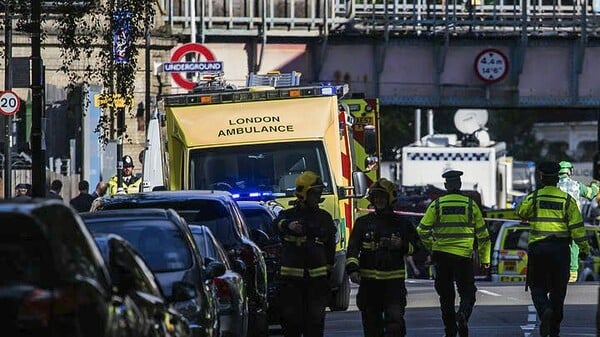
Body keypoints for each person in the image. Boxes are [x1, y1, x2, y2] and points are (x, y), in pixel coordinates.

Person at [516, 161, 590, 337]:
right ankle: (554, 328)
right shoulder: (567, 200)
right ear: (557, 178)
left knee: (537, 288)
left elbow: (520, 211)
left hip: (538, 250)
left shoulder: (534, 198)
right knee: (558, 291)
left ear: (541, 178)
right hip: (560, 251)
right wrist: (584, 248)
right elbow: (577, 229)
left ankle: (544, 311)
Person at [416, 170, 491, 337]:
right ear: (460, 184)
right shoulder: (471, 205)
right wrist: (485, 259)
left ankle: (450, 331)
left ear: (446, 186)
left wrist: (432, 247)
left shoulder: (437, 205)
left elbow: (421, 230)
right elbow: (483, 235)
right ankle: (463, 314)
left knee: (446, 297)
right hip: (463, 257)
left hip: (441, 256)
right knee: (468, 292)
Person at [345, 178, 420, 337]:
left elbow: (419, 249)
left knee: (395, 324)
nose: (379, 200)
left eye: (382, 197)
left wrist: (401, 245)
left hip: (393, 284)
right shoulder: (362, 223)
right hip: (369, 284)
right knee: (372, 326)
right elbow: (352, 249)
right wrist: (352, 269)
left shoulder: (402, 223)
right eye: (376, 197)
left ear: (390, 199)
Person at [272, 171, 336, 337]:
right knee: (291, 323)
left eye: (318, 193)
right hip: (290, 283)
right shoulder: (287, 216)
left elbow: (330, 247)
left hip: (317, 283)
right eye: (314, 193)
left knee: (315, 325)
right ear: (303, 193)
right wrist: (288, 225)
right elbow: (274, 225)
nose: (317, 197)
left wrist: (328, 270)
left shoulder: (324, 218)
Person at [556, 160, 599, 282]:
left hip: (556, 223)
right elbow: (591, 194)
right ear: (570, 171)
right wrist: (595, 186)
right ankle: (573, 272)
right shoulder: (576, 185)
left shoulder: (552, 186)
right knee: (574, 245)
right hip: (573, 223)